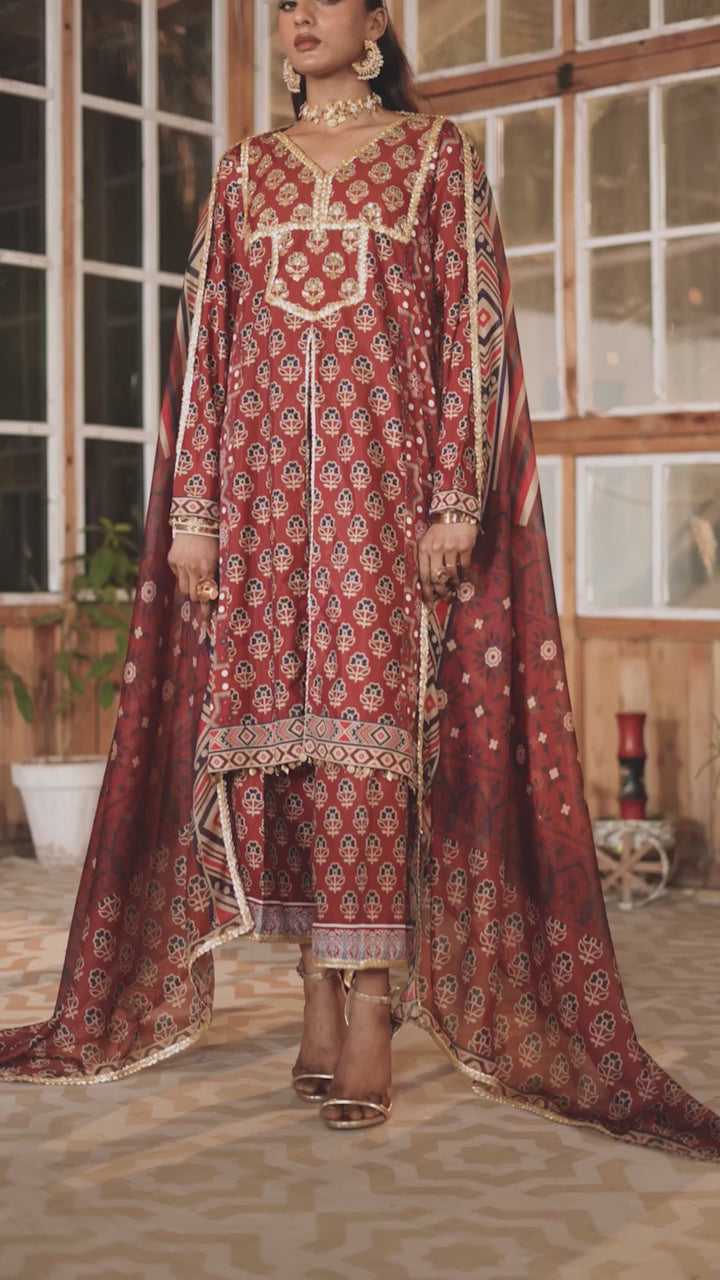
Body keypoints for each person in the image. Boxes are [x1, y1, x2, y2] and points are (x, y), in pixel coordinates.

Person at [1, 0, 719, 1156]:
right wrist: (195, 513)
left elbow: (467, 334)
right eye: (285, 0)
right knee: (277, 747)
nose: (299, 14)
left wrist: (454, 497)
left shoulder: (435, 157)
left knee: (366, 740)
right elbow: (207, 349)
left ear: (376, 19)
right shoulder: (244, 174)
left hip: (379, 505)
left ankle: (373, 999)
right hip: (260, 504)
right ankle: (315, 989)